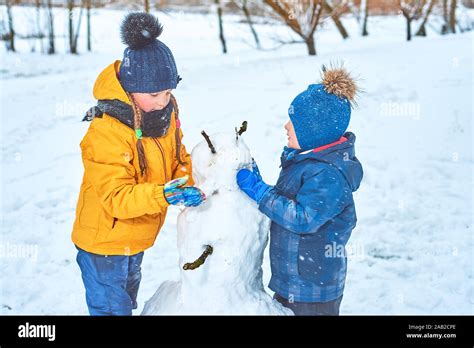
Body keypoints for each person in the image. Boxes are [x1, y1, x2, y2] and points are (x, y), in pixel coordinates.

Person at [71, 12, 205, 316]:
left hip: (136, 238)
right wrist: (163, 195)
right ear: (131, 91)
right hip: (104, 244)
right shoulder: (107, 131)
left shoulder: (165, 114)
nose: (163, 101)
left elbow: (177, 157)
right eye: (155, 94)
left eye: (169, 92)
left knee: (126, 305)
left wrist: (187, 183)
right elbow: (116, 197)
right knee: (111, 311)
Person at [236, 65, 363, 315]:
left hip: (313, 289)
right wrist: (263, 189)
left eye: (293, 122)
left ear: (314, 132)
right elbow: (293, 201)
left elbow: (303, 218)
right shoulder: (307, 162)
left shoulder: (328, 174)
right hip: (295, 279)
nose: (285, 126)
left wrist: (262, 193)